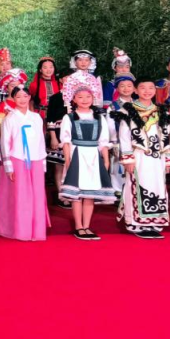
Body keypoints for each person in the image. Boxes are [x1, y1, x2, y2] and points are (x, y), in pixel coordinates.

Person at [117, 78, 170, 239]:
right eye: (143, 88)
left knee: (158, 187)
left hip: (157, 157)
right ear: (136, 91)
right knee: (137, 186)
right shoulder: (128, 111)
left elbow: (166, 136)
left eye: (150, 88)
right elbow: (124, 136)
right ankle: (136, 223)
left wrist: (168, 159)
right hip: (138, 156)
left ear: (155, 91)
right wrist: (128, 158)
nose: (147, 91)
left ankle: (154, 223)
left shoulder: (162, 111)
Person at [58, 78, 113, 240]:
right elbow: (66, 141)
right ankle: (78, 226)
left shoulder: (99, 118)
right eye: (80, 97)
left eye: (88, 97)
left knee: (90, 193)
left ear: (93, 98)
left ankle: (87, 226)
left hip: (94, 156)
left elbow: (103, 141)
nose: (84, 100)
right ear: (74, 99)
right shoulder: (69, 117)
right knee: (77, 194)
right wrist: (68, 160)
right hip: (77, 155)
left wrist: (106, 160)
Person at [0, 86, 50, 241]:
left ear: (29, 98)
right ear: (14, 98)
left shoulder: (36, 117)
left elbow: (41, 139)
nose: (22, 99)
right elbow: (5, 141)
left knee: (37, 195)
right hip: (17, 159)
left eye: (25, 96)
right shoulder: (10, 118)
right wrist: (8, 164)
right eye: (18, 96)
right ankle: (21, 230)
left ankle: (37, 231)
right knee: (20, 195)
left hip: (36, 159)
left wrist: (43, 161)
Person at [106, 74, 136, 197]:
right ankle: (117, 190)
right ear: (117, 89)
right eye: (122, 86)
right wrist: (114, 141)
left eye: (129, 86)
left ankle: (133, 189)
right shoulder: (113, 106)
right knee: (117, 166)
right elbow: (110, 125)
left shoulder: (138, 104)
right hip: (118, 140)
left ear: (134, 88)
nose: (126, 88)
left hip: (136, 141)